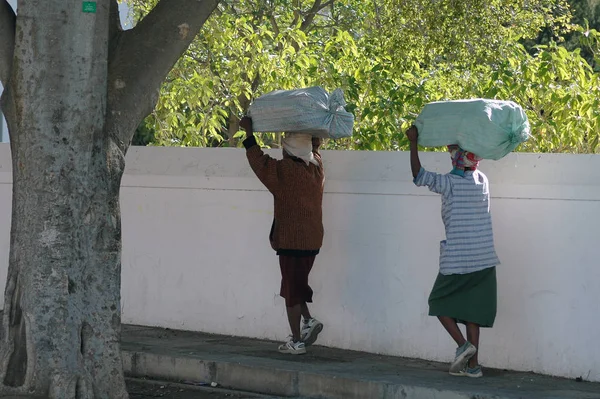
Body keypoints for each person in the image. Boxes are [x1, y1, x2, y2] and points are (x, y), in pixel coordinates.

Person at [406, 125, 499, 378]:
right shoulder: (483, 181)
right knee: (473, 314)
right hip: (484, 259)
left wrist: (413, 143)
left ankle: (463, 346)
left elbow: (418, 175)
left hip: (458, 258)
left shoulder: (448, 183)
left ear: (457, 158)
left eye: (453, 152)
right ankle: (474, 367)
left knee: (437, 302)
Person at [239, 116, 325, 355]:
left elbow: (259, 162)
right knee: (295, 284)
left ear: (288, 151)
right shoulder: (317, 168)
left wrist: (248, 133)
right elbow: (314, 148)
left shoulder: (285, 171)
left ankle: (296, 341)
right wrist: (312, 133)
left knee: (291, 290)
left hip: (291, 241)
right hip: (312, 240)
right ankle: (309, 321)